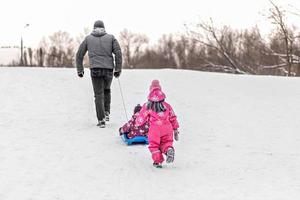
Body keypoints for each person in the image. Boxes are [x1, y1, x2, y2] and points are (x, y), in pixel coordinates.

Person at [76, 20, 122, 128]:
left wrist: (80, 69)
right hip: (108, 69)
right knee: (106, 90)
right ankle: (106, 112)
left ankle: (101, 120)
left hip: (95, 69)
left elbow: (79, 54)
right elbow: (118, 53)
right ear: (104, 28)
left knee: (98, 94)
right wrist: (118, 69)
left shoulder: (88, 39)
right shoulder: (111, 38)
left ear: (94, 28)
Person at [135, 80, 179, 168]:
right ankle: (168, 149)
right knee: (166, 143)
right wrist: (175, 129)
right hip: (167, 128)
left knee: (154, 145)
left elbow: (141, 117)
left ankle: (158, 161)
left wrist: (137, 123)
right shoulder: (167, 106)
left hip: (155, 130)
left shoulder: (147, 106)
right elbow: (173, 117)